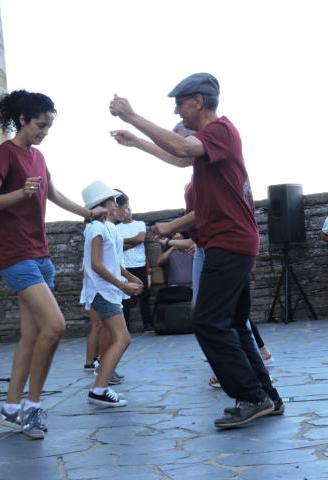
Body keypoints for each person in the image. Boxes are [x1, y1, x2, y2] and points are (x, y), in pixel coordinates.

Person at [109, 72, 281, 429]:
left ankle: (252, 397)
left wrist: (132, 116)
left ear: (198, 101)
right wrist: (138, 142)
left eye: (180, 103)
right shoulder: (212, 144)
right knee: (233, 322)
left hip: (228, 242)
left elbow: (183, 149)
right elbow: (180, 158)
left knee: (207, 322)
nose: (177, 111)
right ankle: (267, 396)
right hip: (233, 241)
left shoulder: (220, 130)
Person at [0, 90, 106, 439]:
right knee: (55, 326)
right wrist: (21, 193)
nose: (44, 132)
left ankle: (11, 409)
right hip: (16, 255)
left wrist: (88, 213)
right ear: (22, 119)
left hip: (41, 255)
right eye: (40, 125)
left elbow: (53, 193)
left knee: (32, 336)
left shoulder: (38, 156)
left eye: (49, 126)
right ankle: (32, 407)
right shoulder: (4, 153)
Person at [80, 181, 143, 407]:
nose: (117, 205)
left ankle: (101, 385)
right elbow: (96, 264)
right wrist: (123, 285)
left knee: (116, 338)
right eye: (113, 201)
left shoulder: (107, 228)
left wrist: (130, 277)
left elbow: (113, 262)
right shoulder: (96, 228)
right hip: (102, 291)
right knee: (122, 338)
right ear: (102, 204)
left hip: (108, 290)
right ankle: (99, 389)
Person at [115, 191, 153, 331]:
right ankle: (126, 326)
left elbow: (140, 239)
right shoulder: (116, 228)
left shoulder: (140, 224)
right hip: (124, 266)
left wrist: (122, 241)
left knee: (144, 296)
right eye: (125, 208)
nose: (127, 212)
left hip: (140, 264)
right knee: (124, 297)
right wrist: (131, 242)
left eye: (129, 209)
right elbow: (117, 246)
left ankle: (147, 323)